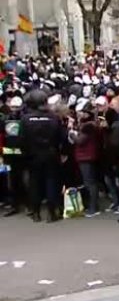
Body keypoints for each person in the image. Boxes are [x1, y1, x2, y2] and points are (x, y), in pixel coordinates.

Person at [19, 90, 66, 223]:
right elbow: (62, 137)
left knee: (35, 183)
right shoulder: (53, 118)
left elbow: (22, 139)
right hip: (51, 154)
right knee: (51, 181)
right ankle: (51, 212)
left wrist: (26, 154)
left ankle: (36, 212)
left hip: (33, 155)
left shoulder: (25, 119)